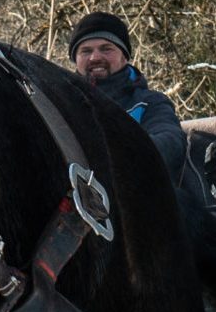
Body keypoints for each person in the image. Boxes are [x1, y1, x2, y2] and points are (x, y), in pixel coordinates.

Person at [68, 11, 188, 185]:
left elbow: (171, 144)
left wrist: (115, 151)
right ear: (76, 60)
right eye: (86, 51)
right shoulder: (61, 103)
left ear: (124, 56)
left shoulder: (149, 103)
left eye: (106, 49)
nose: (95, 57)